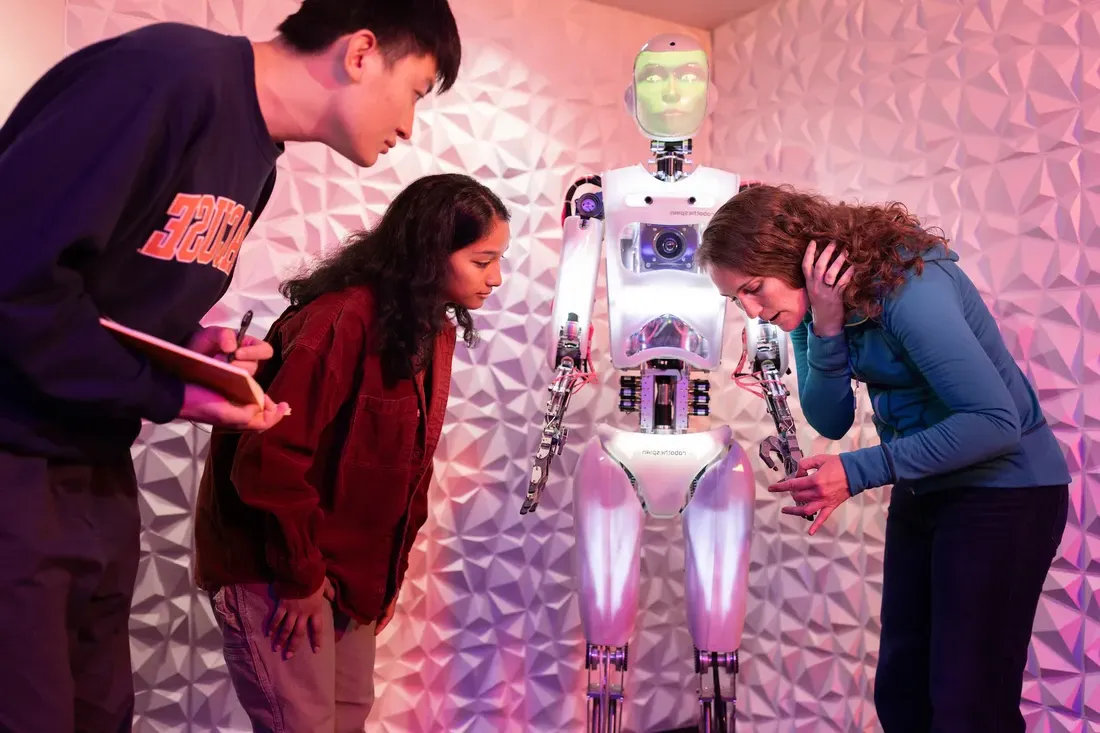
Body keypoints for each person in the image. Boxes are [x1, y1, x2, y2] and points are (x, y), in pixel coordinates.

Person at [0, 1, 461, 730]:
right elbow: (15, 280)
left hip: (93, 459)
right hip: (15, 455)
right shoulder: (166, 77)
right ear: (362, 52)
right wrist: (168, 388)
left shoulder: (258, 163)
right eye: (417, 88)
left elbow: (99, 297)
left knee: (99, 709)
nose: (408, 125)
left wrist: (189, 346)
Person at [698, 183, 1070, 732]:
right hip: (927, 489)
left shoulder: (910, 286)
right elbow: (830, 419)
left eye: (754, 289)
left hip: (1005, 494)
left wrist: (855, 471)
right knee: (902, 695)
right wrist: (824, 327)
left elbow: (995, 423)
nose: (752, 311)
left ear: (790, 259)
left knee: (968, 707)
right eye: (737, 301)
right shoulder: (813, 309)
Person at [193, 172, 509, 732]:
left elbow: (408, 468)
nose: (497, 279)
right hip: (280, 569)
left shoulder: (430, 327)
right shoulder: (341, 319)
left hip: (344, 576)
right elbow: (268, 460)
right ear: (434, 253)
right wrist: (299, 579)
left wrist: (382, 581)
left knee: (346, 722)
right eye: (483, 262)